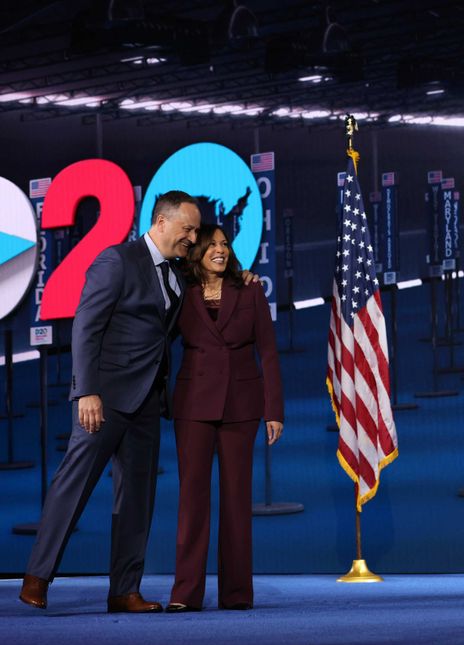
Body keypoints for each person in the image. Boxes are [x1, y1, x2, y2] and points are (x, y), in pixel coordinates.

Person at [19, 191, 202, 613]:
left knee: (137, 500)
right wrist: (86, 390)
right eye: (187, 228)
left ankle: (124, 590)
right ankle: (36, 578)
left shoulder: (176, 275)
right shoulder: (117, 260)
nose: (192, 237)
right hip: (103, 400)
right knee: (73, 487)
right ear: (160, 223)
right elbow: (86, 326)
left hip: (148, 404)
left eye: (195, 231)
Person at [166, 224, 283, 612]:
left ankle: (236, 593)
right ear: (195, 252)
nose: (220, 249)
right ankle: (185, 594)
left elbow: (267, 351)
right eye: (211, 244)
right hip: (193, 407)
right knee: (191, 501)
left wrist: (274, 411)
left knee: (236, 500)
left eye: (224, 243)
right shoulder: (180, 291)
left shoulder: (250, 290)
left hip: (240, 407)